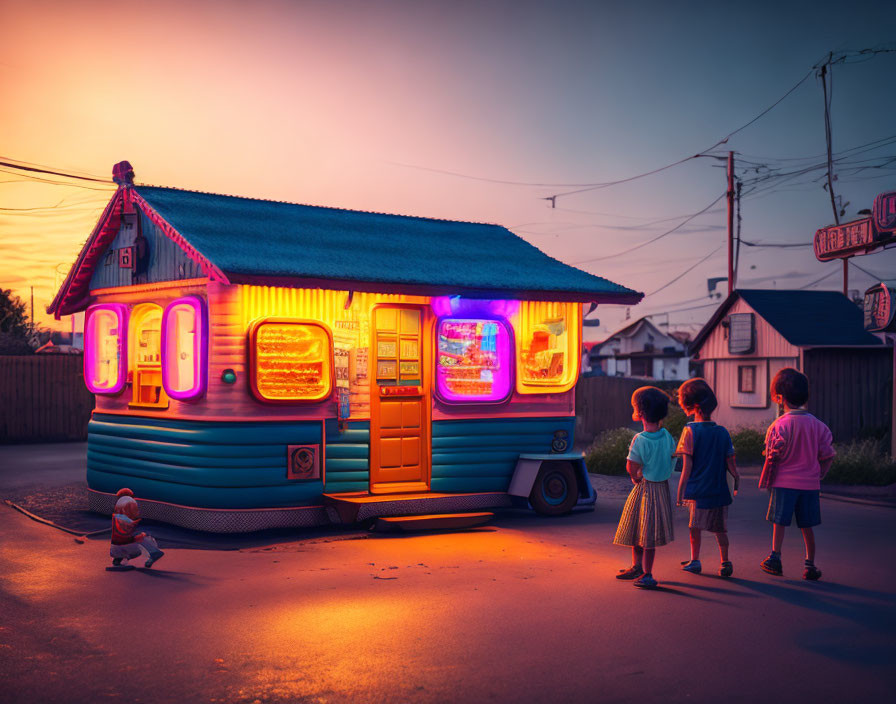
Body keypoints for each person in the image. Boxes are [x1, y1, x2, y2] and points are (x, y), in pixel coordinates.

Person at [758, 368, 835, 580]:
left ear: (779, 397)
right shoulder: (819, 426)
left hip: (784, 483)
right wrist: (820, 475)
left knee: (779, 521)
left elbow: (772, 454)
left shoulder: (778, 425)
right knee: (807, 524)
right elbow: (828, 455)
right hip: (810, 484)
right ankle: (810, 564)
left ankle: (775, 557)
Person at [614, 386, 677, 589]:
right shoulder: (667, 436)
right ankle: (639, 568)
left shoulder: (640, 439)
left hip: (645, 489)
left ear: (639, 412)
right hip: (662, 488)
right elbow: (673, 458)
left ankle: (646, 573)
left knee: (643, 532)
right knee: (643, 529)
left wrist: (635, 477)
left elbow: (631, 465)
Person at [675, 379, 740, 577]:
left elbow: (687, 468)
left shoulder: (689, 431)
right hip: (719, 489)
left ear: (694, 406)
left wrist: (680, 493)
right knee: (720, 528)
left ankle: (695, 560)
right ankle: (725, 562)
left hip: (697, 490)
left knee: (694, 527)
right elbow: (732, 466)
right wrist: (736, 483)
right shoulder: (722, 432)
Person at [109, 488, 165, 569]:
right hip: (129, 545)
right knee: (143, 535)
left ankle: (118, 559)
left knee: (126, 539)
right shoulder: (128, 510)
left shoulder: (117, 514)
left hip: (118, 547)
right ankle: (154, 552)